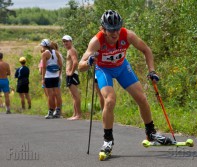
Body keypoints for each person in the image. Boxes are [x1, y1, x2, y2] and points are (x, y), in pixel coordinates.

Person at [78, 10, 174, 155]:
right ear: (103, 29)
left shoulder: (128, 35)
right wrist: (89, 62)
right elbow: (80, 66)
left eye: (117, 28)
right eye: (110, 30)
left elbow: (146, 50)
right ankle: (108, 140)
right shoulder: (96, 41)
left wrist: (152, 70)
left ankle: (151, 133)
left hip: (122, 67)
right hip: (104, 70)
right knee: (110, 100)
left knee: (142, 98)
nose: (115, 33)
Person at [40, 39, 63, 119]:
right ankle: (58, 111)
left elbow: (44, 67)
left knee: (50, 95)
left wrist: (42, 79)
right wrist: (59, 74)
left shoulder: (44, 54)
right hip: (56, 76)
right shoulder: (56, 52)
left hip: (48, 76)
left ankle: (50, 112)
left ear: (43, 46)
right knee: (57, 94)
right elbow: (60, 65)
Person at [62, 35, 82, 120]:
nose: (65, 43)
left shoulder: (71, 50)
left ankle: (78, 115)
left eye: (67, 41)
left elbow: (75, 62)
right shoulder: (69, 50)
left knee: (76, 95)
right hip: (70, 75)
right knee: (73, 96)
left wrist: (71, 72)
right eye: (64, 41)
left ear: (71, 41)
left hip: (72, 75)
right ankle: (75, 114)